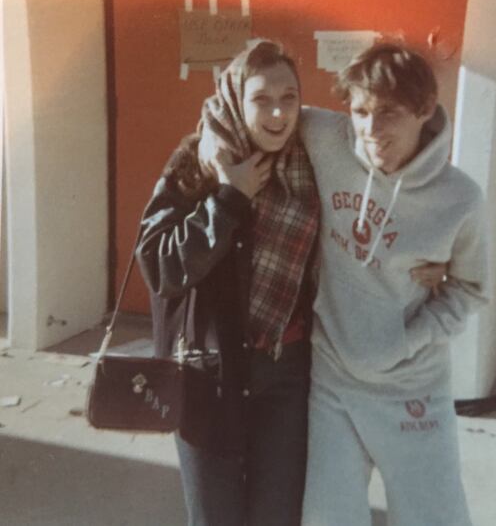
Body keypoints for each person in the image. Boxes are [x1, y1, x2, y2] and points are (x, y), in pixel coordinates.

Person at [137, 40, 447, 526]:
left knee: (277, 516)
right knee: (216, 517)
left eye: (289, 97)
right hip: (210, 376)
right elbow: (159, 266)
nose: (278, 113)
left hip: (287, 373)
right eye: (261, 98)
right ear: (236, 98)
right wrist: (227, 198)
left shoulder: (314, 157)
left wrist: (436, 255)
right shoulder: (199, 161)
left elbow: (383, 186)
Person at [298, 43, 488, 526]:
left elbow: (469, 289)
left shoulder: (459, 198)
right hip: (333, 379)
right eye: (360, 111)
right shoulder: (328, 139)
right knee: (328, 516)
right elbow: (252, 103)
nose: (370, 129)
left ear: (425, 110)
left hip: (411, 385)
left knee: (433, 517)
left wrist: (406, 341)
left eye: (388, 113)